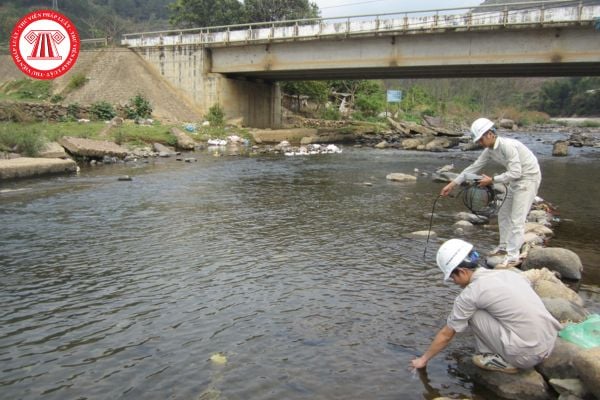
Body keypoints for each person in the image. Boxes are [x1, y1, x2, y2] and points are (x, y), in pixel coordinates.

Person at [410, 239, 561, 374]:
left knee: (472, 315)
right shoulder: (508, 274)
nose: (453, 281)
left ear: (462, 271)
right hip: (549, 342)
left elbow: (446, 335)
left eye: (452, 277)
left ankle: (498, 359)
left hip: (527, 356)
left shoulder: (470, 294)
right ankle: (505, 349)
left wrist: (423, 360)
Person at [440, 117, 541, 268]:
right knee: (503, 213)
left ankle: (513, 257)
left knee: (517, 219)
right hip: (514, 181)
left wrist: (492, 180)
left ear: (490, 134)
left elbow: (516, 172)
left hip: (528, 179)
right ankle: (503, 247)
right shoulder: (489, 151)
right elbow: (473, 168)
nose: (479, 143)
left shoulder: (507, 146)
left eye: (480, 139)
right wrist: (453, 183)